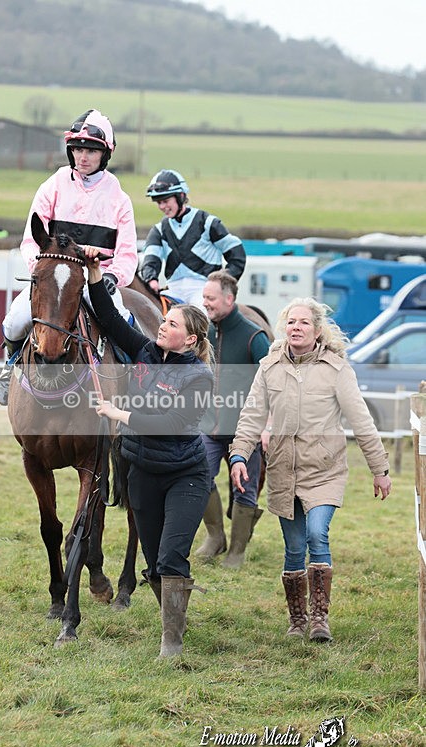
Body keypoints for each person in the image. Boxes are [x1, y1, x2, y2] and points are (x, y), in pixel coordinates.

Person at [229, 297, 392, 642]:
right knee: (293, 548)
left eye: (303, 322)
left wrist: (379, 469)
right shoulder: (269, 367)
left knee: (317, 534)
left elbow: (361, 421)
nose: (296, 327)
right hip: (283, 470)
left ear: (317, 331)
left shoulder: (336, 369)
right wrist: (239, 455)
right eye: (291, 322)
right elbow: (252, 415)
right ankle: (297, 620)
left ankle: (320, 619)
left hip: (324, 470)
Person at [83, 246, 213, 658]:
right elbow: (108, 317)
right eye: (164, 320)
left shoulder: (199, 377)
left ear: (190, 339)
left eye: (171, 323)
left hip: (185, 476)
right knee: (155, 561)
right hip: (142, 472)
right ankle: (175, 617)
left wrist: (118, 413)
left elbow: (171, 424)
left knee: (172, 556)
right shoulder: (144, 352)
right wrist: (94, 273)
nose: (163, 325)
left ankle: (171, 643)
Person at [0, 108, 138, 405]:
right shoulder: (52, 186)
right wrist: (42, 272)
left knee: (125, 324)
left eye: (91, 151)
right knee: (14, 322)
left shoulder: (119, 199)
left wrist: (111, 277)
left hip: (96, 283)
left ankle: (134, 386)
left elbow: (127, 255)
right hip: (52, 281)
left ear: (105, 154)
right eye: (78, 149)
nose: (83, 157)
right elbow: (29, 240)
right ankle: (10, 369)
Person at [197, 270, 271, 568]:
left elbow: (273, 384)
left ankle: (237, 551)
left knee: (244, 487)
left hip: (245, 430)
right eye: (204, 297)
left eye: (211, 298)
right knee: (199, 475)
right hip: (208, 427)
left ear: (229, 299)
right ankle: (215, 537)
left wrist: (267, 426)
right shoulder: (205, 333)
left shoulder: (255, 337)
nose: (205, 303)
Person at [140, 169, 246, 309]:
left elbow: (236, 254)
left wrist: (223, 283)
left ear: (181, 196)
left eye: (165, 201)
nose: (162, 207)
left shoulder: (208, 223)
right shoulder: (158, 230)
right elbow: (150, 259)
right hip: (173, 290)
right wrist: (151, 279)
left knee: (200, 314)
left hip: (203, 289)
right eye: (158, 202)